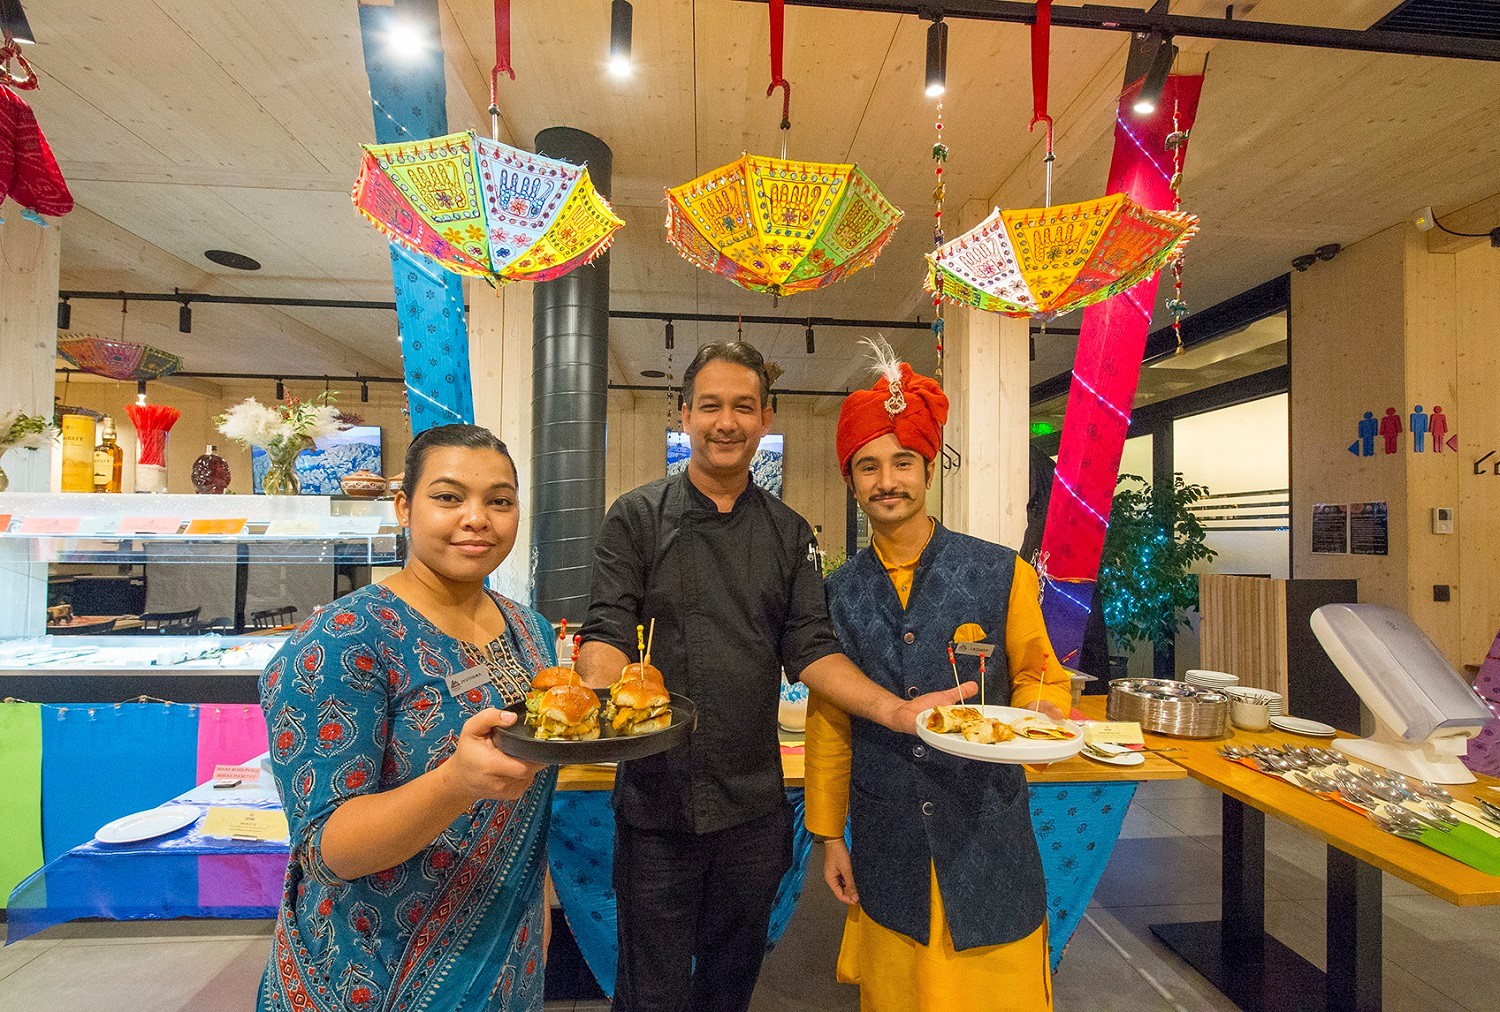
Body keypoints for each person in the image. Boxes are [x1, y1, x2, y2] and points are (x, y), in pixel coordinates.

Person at [577, 341, 972, 1012]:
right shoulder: (636, 517)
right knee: (650, 992)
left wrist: (894, 711)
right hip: (657, 803)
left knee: (730, 987)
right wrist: (600, 697)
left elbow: (811, 649)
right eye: (710, 406)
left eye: (743, 406)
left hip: (752, 809)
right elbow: (607, 630)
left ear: (766, 417)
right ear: (684, 415)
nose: (725, 422)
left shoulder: (789, 533)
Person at [804, 343, 1073, 1012]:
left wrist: (1040, 715)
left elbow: (1040, 674)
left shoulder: (999, 571)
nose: (886, 481)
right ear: (851, 480)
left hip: (986, 828)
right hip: (886, 832)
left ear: (928, 470)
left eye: (902, 462)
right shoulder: (836, 594)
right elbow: (829, 719)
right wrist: (830, 834)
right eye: (868, 466)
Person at [258, 424, 556, 1012]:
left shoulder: (531, 632)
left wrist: (538, 901)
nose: (477, 518)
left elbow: (528, 798)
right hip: (370, 973)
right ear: (403, 507)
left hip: (504, 958)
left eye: (500, 501)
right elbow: (327, 850)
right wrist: (455, 783)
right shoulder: (343, 639)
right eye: (448, 497)